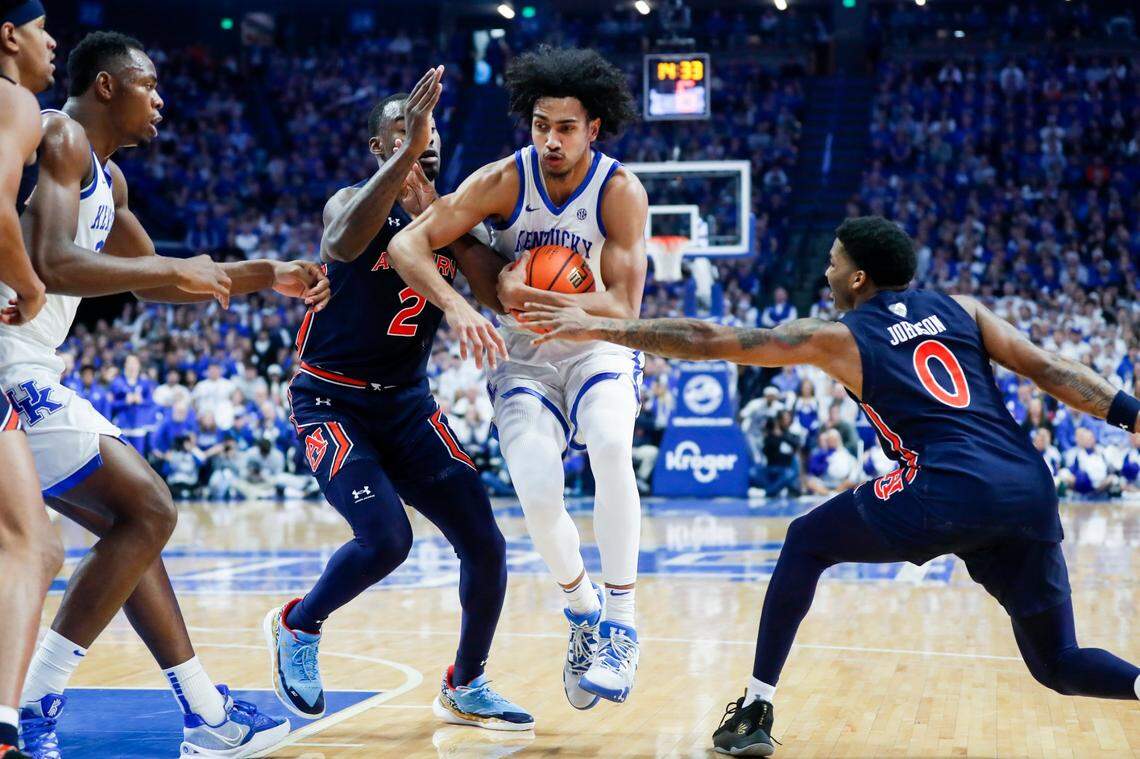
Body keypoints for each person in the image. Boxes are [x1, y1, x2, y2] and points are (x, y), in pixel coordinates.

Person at [523, 215, 1140, 756]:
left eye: (834, 262)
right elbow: (1050, 369)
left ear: (858, 279)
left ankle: (756, 708)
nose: (826, 271)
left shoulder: (840, 336)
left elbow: (709, 340)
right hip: (1027, 485)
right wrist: (1132, 416)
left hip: (947, 485)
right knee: (1059, 662)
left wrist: (598, 328)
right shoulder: (964, 309)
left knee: (806, 540)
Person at [10, 31, 331, 757]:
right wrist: (173, 271)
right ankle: (35, 701)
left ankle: (204, 712)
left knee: (138, 525)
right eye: (148, 85)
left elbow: (157, 279)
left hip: (33, 366)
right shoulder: (61, 135)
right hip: (10, 365)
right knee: (150, 508)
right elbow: (53, 262)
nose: (160, 100)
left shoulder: (110, 181)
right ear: (106, 86)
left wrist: (267, 273)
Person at [264, 69, 532, 731]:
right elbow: (341, 242)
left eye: (430, 128)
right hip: (332, 401)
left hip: (408, 406)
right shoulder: (349, 202)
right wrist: (406, 157)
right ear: (378, 146)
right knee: (387, 540)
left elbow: (494, 293)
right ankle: (299, 624)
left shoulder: (454, 216)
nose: (425, 137)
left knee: (486, 543)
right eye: (407, 129)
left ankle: (466, 682)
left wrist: (444, 219)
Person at [389, 44, 648, 707]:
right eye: (541, 125)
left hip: (596, 345)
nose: (551, 140)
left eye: (566, 127)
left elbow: (624, 306)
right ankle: (584, 610)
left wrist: (538, 296)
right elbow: (406, 242)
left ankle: (622, 624)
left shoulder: (619, 191)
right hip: (524, 353)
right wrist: (459, 307)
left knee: (611, 444)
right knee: (535, 487)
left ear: (593, 128)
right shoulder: (505, 178)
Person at [0, 3, 61, 757]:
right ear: (9, 34)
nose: (52, 42)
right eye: (43, 28)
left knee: (32, 544)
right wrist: (31, 284)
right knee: (31, 544)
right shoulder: (15, 101)